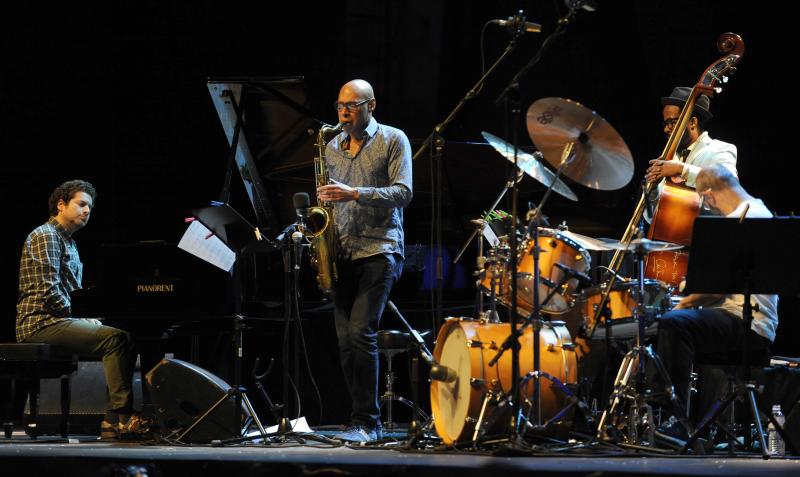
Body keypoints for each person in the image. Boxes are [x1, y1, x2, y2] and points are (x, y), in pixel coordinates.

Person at [317, 79, 413, 442]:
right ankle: (357, 417)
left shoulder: (393, 139)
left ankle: (368, 422)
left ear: (371, 105)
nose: (344, 112)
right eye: (340, 105)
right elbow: (326, 202)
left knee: (361, 333)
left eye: (353, 105)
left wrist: (354, 193)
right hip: (340, 253)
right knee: (344, 340)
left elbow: (403, 193)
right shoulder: (330, 147)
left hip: (379, 249)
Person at [16, 180, 148, 439]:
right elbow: (48, 293)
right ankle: (122, 416)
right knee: (115, 338)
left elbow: (75, 294)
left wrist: (93, 316)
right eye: (81, 204)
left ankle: (112, 419)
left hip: (60, 320)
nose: (87, 211)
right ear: (61, 204)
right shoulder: (46, 236)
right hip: (40, 323)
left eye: (90, 207)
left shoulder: (71, 243)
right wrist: (83, 317)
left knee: (125, 334)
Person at [654, 165, 779, 426]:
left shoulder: (743, 218)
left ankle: (671, 416)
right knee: (678, 323)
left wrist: (684, 303)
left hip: (747, 323)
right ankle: (678, 415)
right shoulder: (757, 209)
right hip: (749, 320)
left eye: (705, 201)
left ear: (709, 196)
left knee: (672, 323)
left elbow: (715, 289)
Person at [645, 86, 737, 187]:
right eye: (666, 123)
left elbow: (728, 183)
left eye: (672, 122)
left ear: (693, 122)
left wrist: (681, 169)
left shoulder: (720, 149)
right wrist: (654, 188)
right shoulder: (671, 158)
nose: (666, 129)